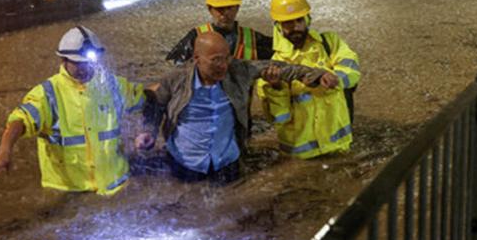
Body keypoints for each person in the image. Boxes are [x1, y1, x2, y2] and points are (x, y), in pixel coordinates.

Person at [138, 32, 336, 183]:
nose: (223, 65)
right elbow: (155, 105)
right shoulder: (175, 80)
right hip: (184, 165)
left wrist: (316, 75)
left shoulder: (238, 71)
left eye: (226, 58)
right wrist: (148, 132)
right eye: (216, 59)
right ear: (196, 59)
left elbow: (283, 68)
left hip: (228, 165)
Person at [0, 26, 146, 195]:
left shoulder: (114, 85)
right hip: (69, 192)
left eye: (89, 62)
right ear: (63, 60)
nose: (85, 68)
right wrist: (4, 152)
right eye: (78, 63)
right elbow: (19, 121)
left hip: (116, 185)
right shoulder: (47, 94)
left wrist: (173, 82)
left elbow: (147, 97)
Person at [257, 0, 360, 158]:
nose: (296, 27)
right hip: (301, 157)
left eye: (299, 20)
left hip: (339, 147)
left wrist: (335, 78)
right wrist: (276, 88)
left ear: (308, 19)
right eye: (288, 23)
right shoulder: (272, 66)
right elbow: (280, 119)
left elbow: (352, 70)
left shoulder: (330, 43)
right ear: (278, 26)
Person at [166, 0, 274, 64]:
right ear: (210, 9)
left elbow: (279, 50)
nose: (225, 13)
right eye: (220, 9)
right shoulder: (196, 36)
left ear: (237, 8)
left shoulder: (252, 38)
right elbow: (177, 64)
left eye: (229, 8)